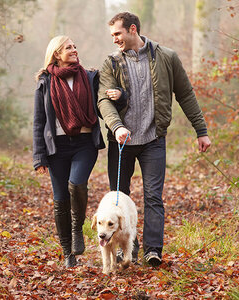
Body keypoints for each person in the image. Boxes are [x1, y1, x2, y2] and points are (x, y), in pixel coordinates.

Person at [97, 12, 211, 267]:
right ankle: (124, 250)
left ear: (133, 29)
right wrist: (116, 127)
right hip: (121, 142)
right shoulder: (111, 63)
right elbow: (103, 100)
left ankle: (153, 251)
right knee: (119, 198)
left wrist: (201, 130)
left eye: (118, 34)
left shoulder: (166, 57)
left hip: (153, 140)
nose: (114, 39)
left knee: (153, 197)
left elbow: (186, 94)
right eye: (112, 35)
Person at [33, 36, 105, 268]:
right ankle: (68, 254)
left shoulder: (90, 76)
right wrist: (39, 156)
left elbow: (104, 105)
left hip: (84, 143)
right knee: (60, 200)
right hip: (57, 148)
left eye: (75, 46)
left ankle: (77, 228)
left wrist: (118, 97)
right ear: (56, 54)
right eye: (68, 47)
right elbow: (38, 121)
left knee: (77, 184)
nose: (74, 50)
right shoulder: (45, 81)